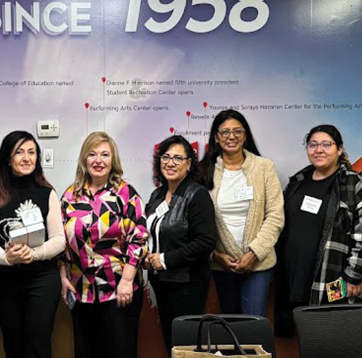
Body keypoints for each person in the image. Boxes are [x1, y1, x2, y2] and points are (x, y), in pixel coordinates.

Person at [275, 125, 362, 336]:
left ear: (340, 149)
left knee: (332, 340)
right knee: (300, 343)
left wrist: (352, 277)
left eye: (326, 144)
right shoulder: (297, 182)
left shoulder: (355, 184)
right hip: (293, 282)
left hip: (334, 282)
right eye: (313, 144)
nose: (319, 150)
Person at [59, 132, 148, 358]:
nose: (98, 160)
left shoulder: (125, 194)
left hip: (119, 291)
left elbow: (138, 238)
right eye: (92, 154)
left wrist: (127, 280)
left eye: (105, 155)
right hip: (82, 293)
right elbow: (60, 241)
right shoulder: (70, 196)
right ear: (84, 159)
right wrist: (63, 278)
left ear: (113, 160)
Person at [0, 131, 65, 358]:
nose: (27, 157)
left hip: (41, 280)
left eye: (32, 152)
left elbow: (59, 239)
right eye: (19, 152)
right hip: (4, 282)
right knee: (13, 346)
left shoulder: (47, 193)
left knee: (38, 345)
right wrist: (7, 258)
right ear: (8, 158)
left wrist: (34, 254)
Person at [198, 110, 283, 316]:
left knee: (253, 326)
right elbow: (196, 221)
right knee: (230, 326)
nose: (231, 136)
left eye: (237, 131)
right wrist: (215, 256)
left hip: (258, 264)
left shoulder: (264, 167)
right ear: (216, 137)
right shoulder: (203, 170)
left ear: (245, 135)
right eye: (225, 132)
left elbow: (275, 215)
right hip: (221, 265)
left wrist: (254, 253)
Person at [143, 135, 217, 354]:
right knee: (170, 340)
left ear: (188, 163)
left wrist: (164, 259)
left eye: (178, 158)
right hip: (162, 283)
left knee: (187, 344)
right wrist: (147, 255)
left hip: (187, 285)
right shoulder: (157, 195)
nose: (170, 163)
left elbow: (205, 241)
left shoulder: (197, 195)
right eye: (166, 157)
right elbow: (151, 232)